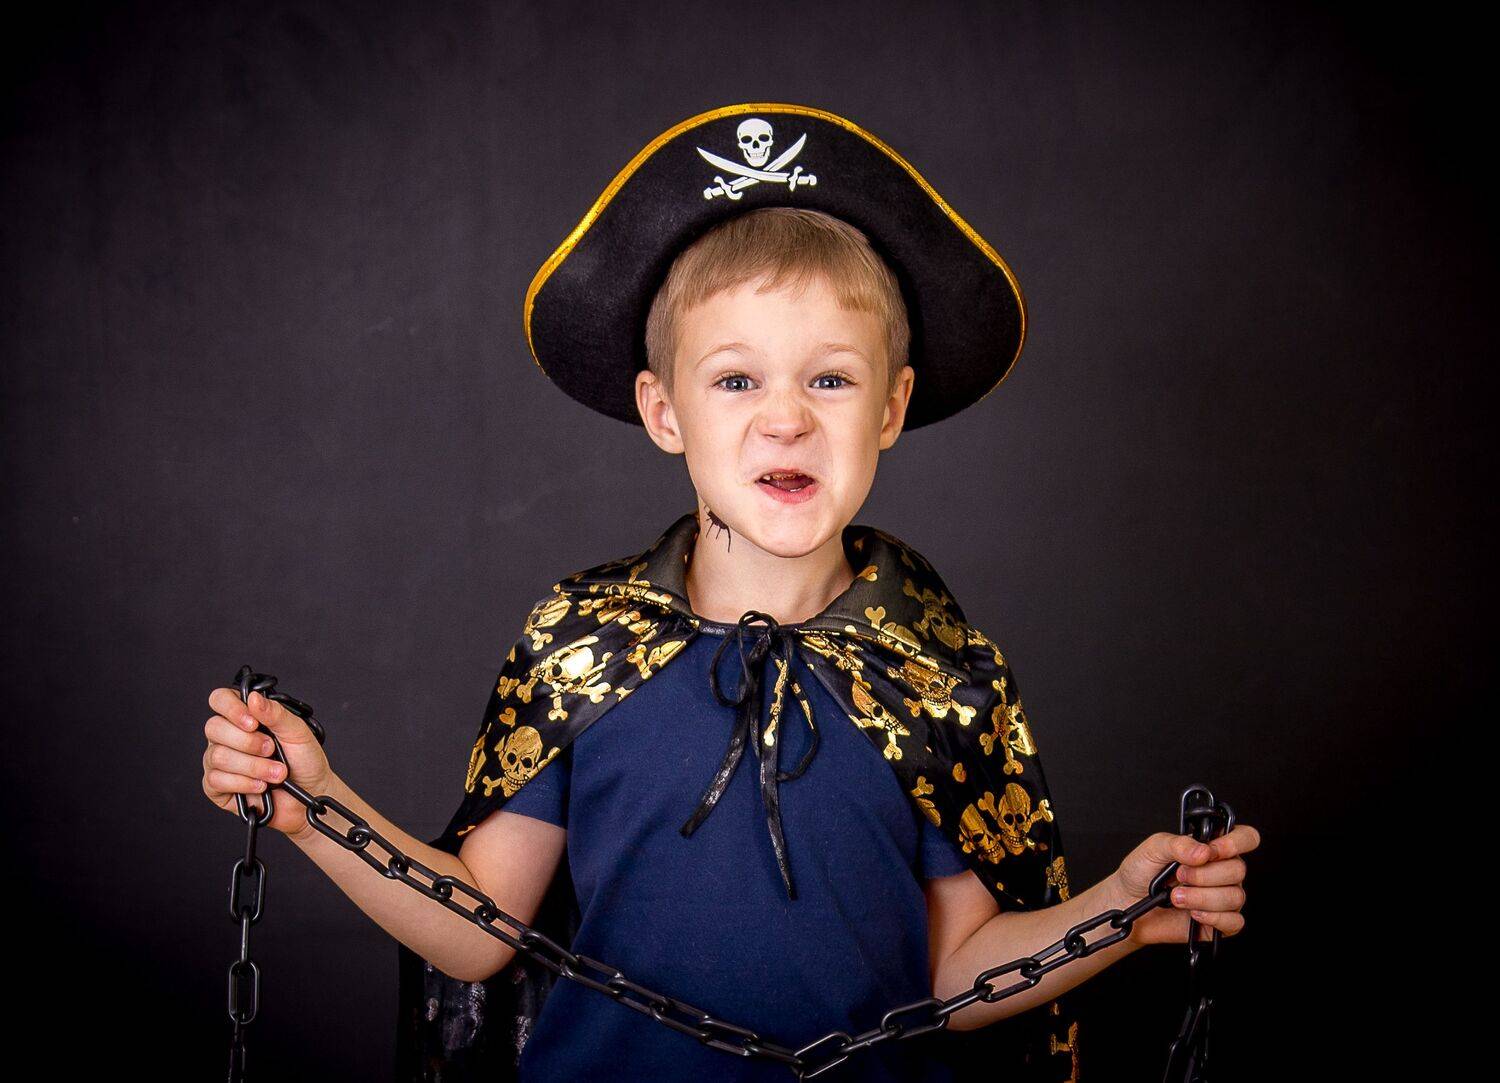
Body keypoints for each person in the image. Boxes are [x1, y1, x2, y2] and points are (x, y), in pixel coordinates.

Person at [200, 103, 1259, 1082]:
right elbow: (479, 933)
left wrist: (1121, 910)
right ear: (665, 411)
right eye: (737, 379)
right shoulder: (578, 647)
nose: (785, 417)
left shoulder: (942, 676)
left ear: (891, 408)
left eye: (830, 378)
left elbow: (960, 972)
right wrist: (314, 809)